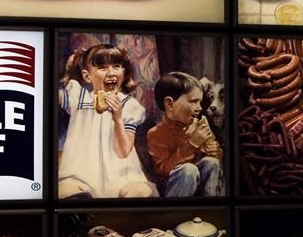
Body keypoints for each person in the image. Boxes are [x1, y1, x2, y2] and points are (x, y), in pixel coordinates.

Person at [58, 43, 156, 199]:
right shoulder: (78, 98)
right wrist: (70, 68)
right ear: (87, 76)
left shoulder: (128, 106)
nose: (110, 73)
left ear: (123, 72)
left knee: (140, 192)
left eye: (116, 66)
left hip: (121, 176)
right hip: (81, 174)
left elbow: (124, 151)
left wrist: (117, 119)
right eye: (102, 68)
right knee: (64, 191)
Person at [146, 72, 224, 197]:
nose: (199, 108)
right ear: (169, 104)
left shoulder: (198, 125)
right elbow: (163, 170)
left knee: (212, 163)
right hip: (174, 187)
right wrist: (192, 144)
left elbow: (215, 154)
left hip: (198, 185)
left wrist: (215, 152)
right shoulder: (155, 134)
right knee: (189, 170)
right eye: (193, 102)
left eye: (200, 102)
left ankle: (210, 207)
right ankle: (177, 212)